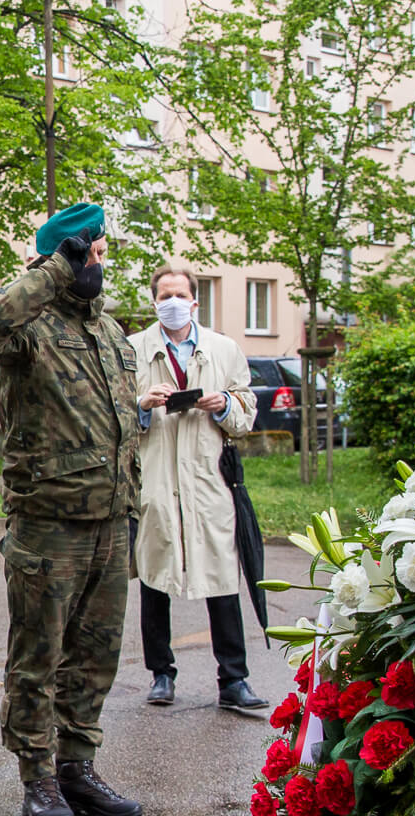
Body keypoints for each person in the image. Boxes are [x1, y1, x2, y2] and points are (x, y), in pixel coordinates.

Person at [0, 203, 144, 816]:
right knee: (37, 659)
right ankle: (37, 775)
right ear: (62, 257)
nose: (99, 263)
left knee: (95, 657)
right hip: (49, 524)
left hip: (111, 521)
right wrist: (52, 271)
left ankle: (77, 766)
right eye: (90, 252)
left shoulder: (112, 333)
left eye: (100, 253)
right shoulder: (28, 329)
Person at [129, 268, 268, 715]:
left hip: (209, 482)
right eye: (165, 295)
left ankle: (234, 679)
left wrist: (224, 404)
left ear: (195, 301)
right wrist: (142, 406)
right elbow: (113, 418)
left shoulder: (224, 349)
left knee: (221, 577)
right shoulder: (132, 350)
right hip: (157, 481)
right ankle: (161, 674)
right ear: (154, 301)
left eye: (180, 294)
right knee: (155, 577)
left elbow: (246, 413)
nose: (173, 302)